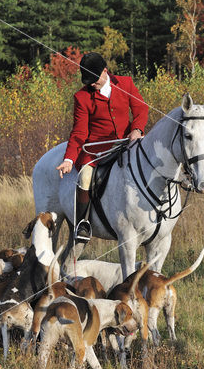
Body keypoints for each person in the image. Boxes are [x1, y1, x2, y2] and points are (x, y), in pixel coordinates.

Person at [56, 52, 149, 239]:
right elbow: (79, 132)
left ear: (105, 71)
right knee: (84, 178)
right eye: (87, 80)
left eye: (94, 79)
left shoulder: (126, 83)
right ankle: (82, 224)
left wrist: (137, 129)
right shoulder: (82, 97)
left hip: (127, 142)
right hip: (96, 150)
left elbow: (141, 109)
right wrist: (69, 159)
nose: (91, 83)